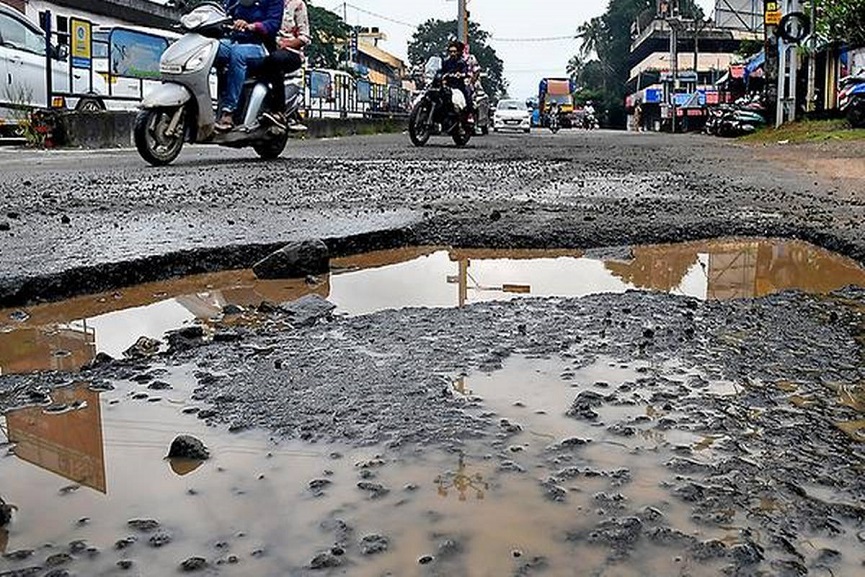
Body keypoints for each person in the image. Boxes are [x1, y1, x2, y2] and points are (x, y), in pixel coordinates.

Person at [214, 0, 284, 131]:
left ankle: (228, 112)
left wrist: (251, 26)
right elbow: (224, 12)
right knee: (211, 48)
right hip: (234, 40)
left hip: (259, 46)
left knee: (238, 53)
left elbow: (273, 24)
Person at [260, 0, 311, 131]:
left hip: (289, 53)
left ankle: (278, 111)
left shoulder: (297, 4)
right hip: (263, 48)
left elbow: (304, 37)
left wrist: (285, 44)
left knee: (274, 60)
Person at [441, 41, 472, 121]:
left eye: (454, 51)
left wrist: (461, 74)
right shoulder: (445, 62)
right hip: (447, 86)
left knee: (467, 97)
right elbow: (441, 72)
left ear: (458, 52)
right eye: (451, 52)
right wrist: (442, 76)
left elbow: (466, 72)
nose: (452, 53)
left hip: (458, 86)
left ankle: (467, 117)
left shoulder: (461, 62)